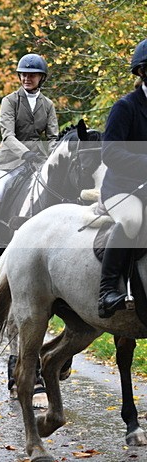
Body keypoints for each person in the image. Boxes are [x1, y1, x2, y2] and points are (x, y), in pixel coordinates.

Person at [0, 53, 58, 259]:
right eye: (23, 75)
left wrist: (55, 155)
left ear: (41, 78)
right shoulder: (9, 101)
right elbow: (8, 135)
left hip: (37, 161)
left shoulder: (47, 105)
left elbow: (54, 136)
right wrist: (26, 153)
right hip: (9, 160)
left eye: (32, 75)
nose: (26, 79)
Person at [97, 38, 147, 318]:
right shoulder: (125, 107)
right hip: (122, 187)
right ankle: (106, 292)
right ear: (142, 72)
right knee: (132, 220)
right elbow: (111, 153)